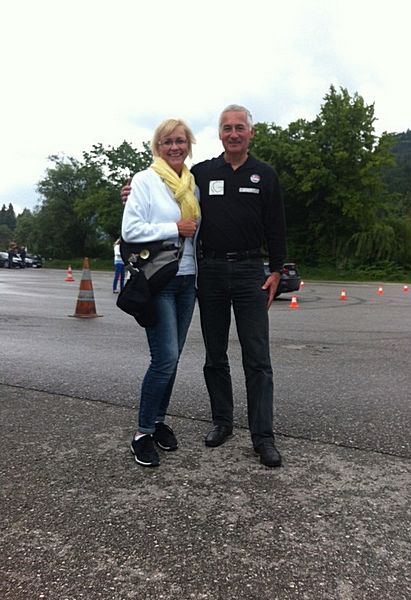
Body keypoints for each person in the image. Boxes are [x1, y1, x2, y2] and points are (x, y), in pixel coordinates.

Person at [122, 105, 287, 468]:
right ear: (219, 134)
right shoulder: (202, 173)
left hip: (250, 271)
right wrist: (132, 193)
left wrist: (276, 270)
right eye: (227, 128)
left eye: (239, 128)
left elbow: (276, 226)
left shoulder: (265, 174)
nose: (233, 134)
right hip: (209, 271)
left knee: (258, 357)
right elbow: (166, 190)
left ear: (250, 133)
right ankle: (222, 422)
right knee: (214, 355)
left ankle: (263, 437)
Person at [121, 118, 200, 468]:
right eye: (167, 141)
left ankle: (158, 421)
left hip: (188, 280)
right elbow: (131, 230)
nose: (174, 147)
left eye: (180, 140)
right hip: (159, 280)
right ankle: (142, 433)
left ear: (189, 144)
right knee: (164, 357)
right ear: (157, 147)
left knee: (174, 358)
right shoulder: (145, 180)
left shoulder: (192, 185)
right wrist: (174, 227)